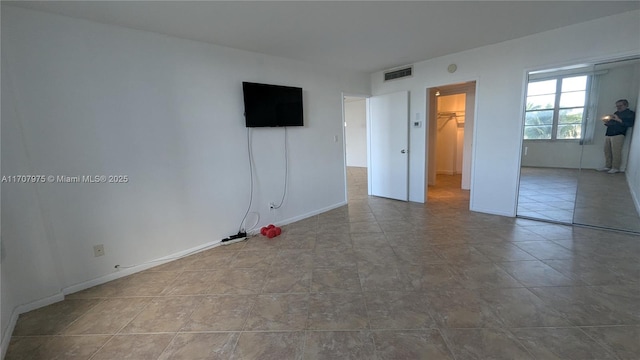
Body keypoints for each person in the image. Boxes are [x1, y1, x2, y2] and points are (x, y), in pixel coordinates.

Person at [601, 99, 635, 173]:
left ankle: (615, 167)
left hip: (618, 134)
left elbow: (629, 124)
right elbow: (611, 123)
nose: (618, 107)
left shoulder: (630, 113)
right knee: (607, 151)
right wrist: (606, 121)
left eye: (620, 106)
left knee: (616, 151)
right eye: (617, 106)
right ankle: (608, 166)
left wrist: (618, 119)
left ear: (626, 105)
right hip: (609, 133)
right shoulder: (616, 113)